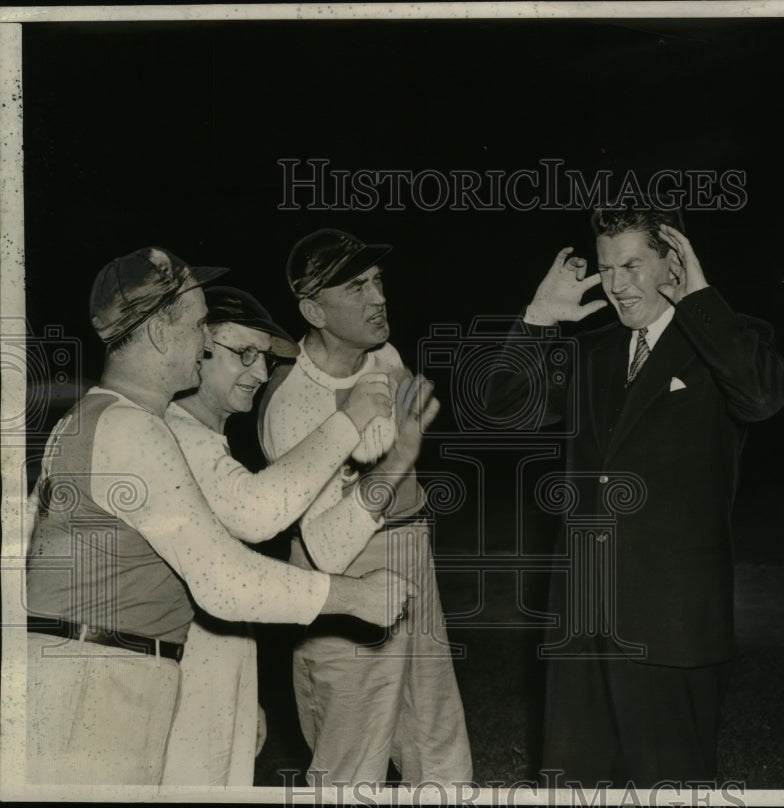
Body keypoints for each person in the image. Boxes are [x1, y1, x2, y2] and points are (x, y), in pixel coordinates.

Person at [23, 247, 414, 785]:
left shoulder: (99, 417)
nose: (203, 342)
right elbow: (224, 580)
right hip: (98, 680)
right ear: (159, 331)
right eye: (197, 325)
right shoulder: (130, 429)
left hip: (99, 673)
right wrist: (356, 597)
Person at [485, 207, 784, 787]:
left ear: (672, 263)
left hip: (671, 622)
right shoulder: (592, 350)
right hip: (582, 621)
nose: (617, 284)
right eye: (606, 268)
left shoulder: (725, 337)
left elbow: (763, 397)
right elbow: (501, 409)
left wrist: (699, 298)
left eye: (631, 265)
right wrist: (537, 319)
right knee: (571, 786)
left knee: (670, 787)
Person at [160, 285, 440, 786]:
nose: (261, 373)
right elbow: (259, 514)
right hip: (165, 673)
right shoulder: (175, 437)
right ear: (194, 348)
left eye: (264, 357)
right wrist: (358, 425)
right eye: (244, 354)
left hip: (203, 665)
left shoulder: (206, 440)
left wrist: (244, 690)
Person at [258, 229, 473, 786]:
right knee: (353, 765)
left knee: (438, 741)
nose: (379, 297)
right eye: (356, 287)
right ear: (314, 310)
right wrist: (399, 457)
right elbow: (327, 546)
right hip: (344, 578)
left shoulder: (385, 356)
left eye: (377, 281)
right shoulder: (292, 401)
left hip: (411, 551)